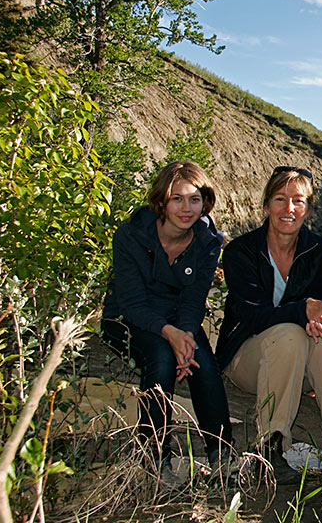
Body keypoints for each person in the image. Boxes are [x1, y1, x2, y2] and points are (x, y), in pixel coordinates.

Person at [216, 166, 322, 484]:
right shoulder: (241, 251)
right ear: (266, 205)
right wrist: (303, 310)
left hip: (298, 363)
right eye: (280, 199)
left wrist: (315, 317)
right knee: (288, 334)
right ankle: (270, 449)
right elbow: (254, 317)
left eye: (298, 200)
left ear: (309, 208)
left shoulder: (318, 250)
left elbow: (320, 311)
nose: (289, 208)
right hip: (247, 358)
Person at [101, 161, 234, 487]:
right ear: (161, 200)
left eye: (194, 199)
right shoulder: (131, 234)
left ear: (205, 202)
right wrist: (170, 334)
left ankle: (223, 459)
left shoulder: (208, 241)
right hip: (127, 316)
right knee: (161, 358)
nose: (186, 209)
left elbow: (193, 299)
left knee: (203, 360)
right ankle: (155, 459)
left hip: (179, 318)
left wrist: (186, 334)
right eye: (177, 199)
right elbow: (131, 303)